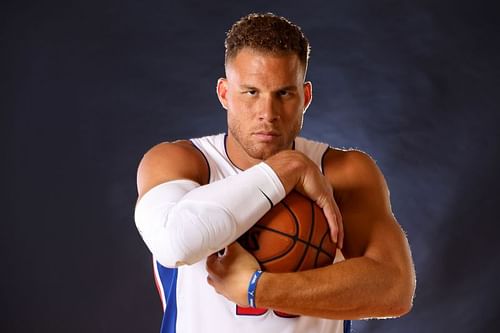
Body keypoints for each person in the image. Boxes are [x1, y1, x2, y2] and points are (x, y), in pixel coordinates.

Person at [134, 12, 415, 333]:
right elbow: (175, 244)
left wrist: (257, 289)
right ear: (224, 93)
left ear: (305, 97)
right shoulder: (182, 162)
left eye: (284, 93)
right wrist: (286, 168)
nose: (267, 114)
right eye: (251, 92)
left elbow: (394, 290)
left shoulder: (343, 171)